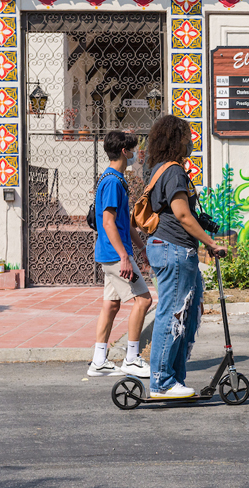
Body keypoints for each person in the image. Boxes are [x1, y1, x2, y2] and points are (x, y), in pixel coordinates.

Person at [144, 115, 227, 399]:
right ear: (176, 139)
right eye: (188, 136)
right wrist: (211, 244)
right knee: (173, 315)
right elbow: (181, 214)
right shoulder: (174, 172)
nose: (192, 141)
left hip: (173, 249)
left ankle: (174, 379)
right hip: (174, 248)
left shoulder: (163, 170)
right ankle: (162, 382)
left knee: (185, 316)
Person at [89, 131, 153, 377]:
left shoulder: (111, 178)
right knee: (144, 300)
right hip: (117, 257)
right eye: (133, 149)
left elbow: (125, 223)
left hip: (111, 254)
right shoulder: (113, 182)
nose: (137, 153)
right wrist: (125, 257)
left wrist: (142, 248)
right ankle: (133, 358)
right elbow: (108, 222)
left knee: (111, 305)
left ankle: (98, 361)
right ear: (124, 152)